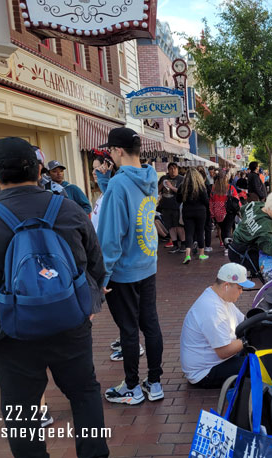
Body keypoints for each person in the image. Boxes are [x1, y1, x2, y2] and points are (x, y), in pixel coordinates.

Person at [0, 137, 109, 457]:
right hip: (69, 323)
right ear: (40, 169)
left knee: (20, 410)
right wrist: (88, 307)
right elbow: (97, 265)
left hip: (7, 331)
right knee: (84, 393)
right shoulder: (66, 208)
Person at [96, 127, 164, 405]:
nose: (109, 154)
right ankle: (155, 382)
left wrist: (102, 276)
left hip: (123, 271)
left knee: (128, 329)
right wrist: (104, 179)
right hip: (147, 264)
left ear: (118, 151)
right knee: (151, 325)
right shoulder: (151, 177)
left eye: (110, 150)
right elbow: (133, 209)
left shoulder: (119, 185)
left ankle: (133, 388)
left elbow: (112, 236)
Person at [180, 263, 254, 388]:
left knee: (259, 356)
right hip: (204, 373)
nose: (241, 292)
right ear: (226, 285)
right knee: (259, 365)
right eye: (240, 288)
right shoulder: (212, 308)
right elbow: (224, 351)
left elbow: (244, 322)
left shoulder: (221, 297)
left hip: (215, 362)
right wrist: (249, 340)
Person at [178, 168, 210, 264]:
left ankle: (187, 255)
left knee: (188, 233)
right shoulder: (201, 186)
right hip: (200, 212)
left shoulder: (182, 187)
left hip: (187, 212)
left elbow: (178, 199)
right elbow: (206, 201)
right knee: (200, 232)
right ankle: (201, 254)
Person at [158, 162, 185, 253]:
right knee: (170, 227)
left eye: (174, 168)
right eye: (170, 169)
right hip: (165, 206)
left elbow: (182, 192)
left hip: (177, 206)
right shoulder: (164, 178)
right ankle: (175, 244)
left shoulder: (181, 179)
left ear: (177, 169)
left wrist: (171, 187)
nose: (172, 171)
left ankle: (183, 244)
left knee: (179, 226)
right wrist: (162, 184)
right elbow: (157, 190)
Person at [210, 169, 240, 249]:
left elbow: (211, 202)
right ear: (226, 178)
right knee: (227, 229)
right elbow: (237, 200)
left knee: (222, 229)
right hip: (229, 211)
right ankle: (228, 246)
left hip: (217, 212)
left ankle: (224, 244)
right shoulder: (230, 187)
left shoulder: (214, 189)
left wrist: (212, 213)